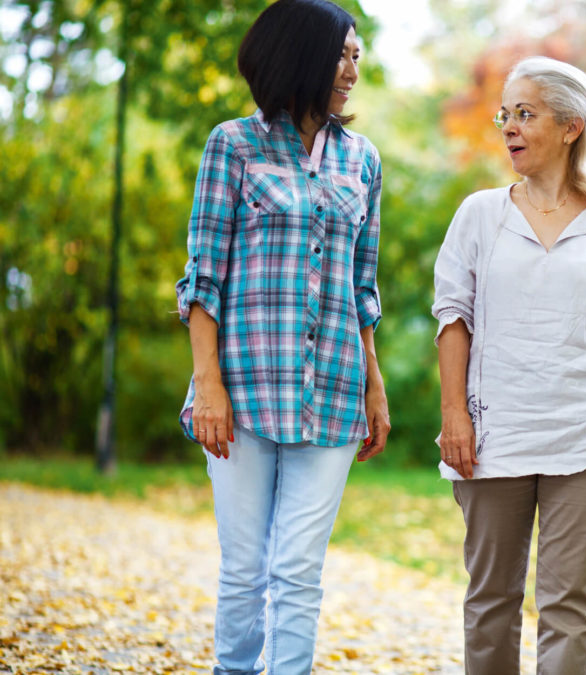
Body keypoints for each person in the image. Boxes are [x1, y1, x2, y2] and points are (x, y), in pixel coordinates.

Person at [174, 1, 390, 672]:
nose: (353, 69)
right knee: (245, 568)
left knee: (299, 569)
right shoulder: (232, 145)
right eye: (342, 54)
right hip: (239, 390)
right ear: (299, 54)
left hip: (333, 389)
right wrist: (207, 384)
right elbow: (203, 276)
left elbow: (362, 287)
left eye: (357, 55)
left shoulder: (363, 160)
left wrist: (373, 386)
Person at [432, 56, 586, 675]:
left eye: (525, 114)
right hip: (494, 432)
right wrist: (455, 417)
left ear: (571, 126)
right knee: (491, 600)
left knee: (571, 606)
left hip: (585, 434)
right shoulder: (480, 214)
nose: (508, 127)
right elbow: (453, 319)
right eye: (506, 115)